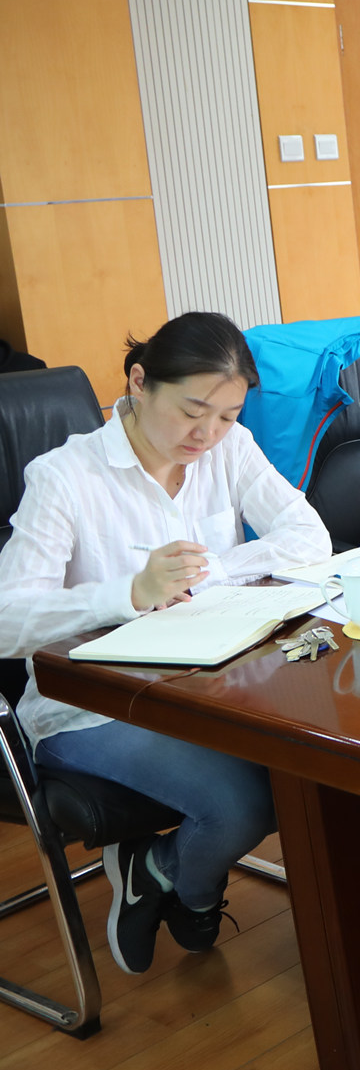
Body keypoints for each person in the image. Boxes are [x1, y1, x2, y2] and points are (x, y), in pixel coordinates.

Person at [0, 313, 332, 975]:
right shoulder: (64, 476)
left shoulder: (228, 450)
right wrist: (129, 592)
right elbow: (8, 620)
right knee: (243, 803)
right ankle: (191, 890)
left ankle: (155, 869)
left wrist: (209, 570)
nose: (207, 434)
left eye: (228, 416)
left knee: (304, 772)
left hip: (208, 688)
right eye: (192, 411)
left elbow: (308, 538)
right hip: (91, 708)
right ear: (139, 382)